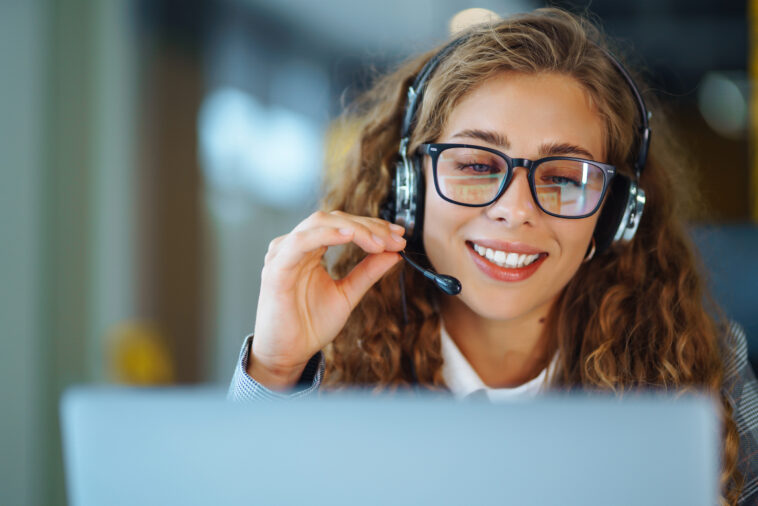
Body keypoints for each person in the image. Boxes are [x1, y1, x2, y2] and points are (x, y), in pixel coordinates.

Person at [228, 8, 757, 504]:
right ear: (410, 190)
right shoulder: (322, 367)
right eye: (477, 166)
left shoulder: (704, 371)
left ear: (616, 211)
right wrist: (277, 372)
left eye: (563, 177)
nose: (515, 210)